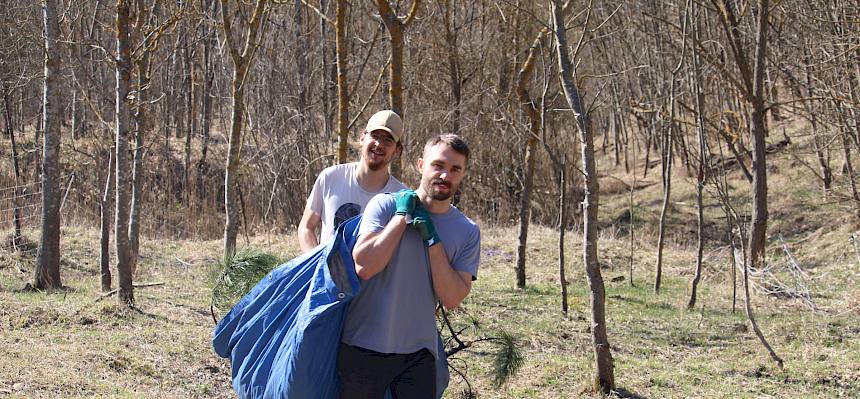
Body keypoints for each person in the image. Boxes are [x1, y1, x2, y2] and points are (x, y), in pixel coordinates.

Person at [338, 134, 481, 398]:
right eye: (438, 165)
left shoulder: (467, 231)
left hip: (418, 353)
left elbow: (451, 298)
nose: (444, 175)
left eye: (454, 169)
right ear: (420, 164)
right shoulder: (384, 205)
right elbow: (364, 266)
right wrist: (401, 218)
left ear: (462, 175)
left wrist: (432, 239)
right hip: (362, 345)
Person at [298, 110, 407, 252]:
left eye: (388, 140)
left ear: (397, 150)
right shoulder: (330, 178)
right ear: (362, 137)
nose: (379, 144)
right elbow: (306, 227)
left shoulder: (402, 198)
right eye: (375, 136)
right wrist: (317, 266)